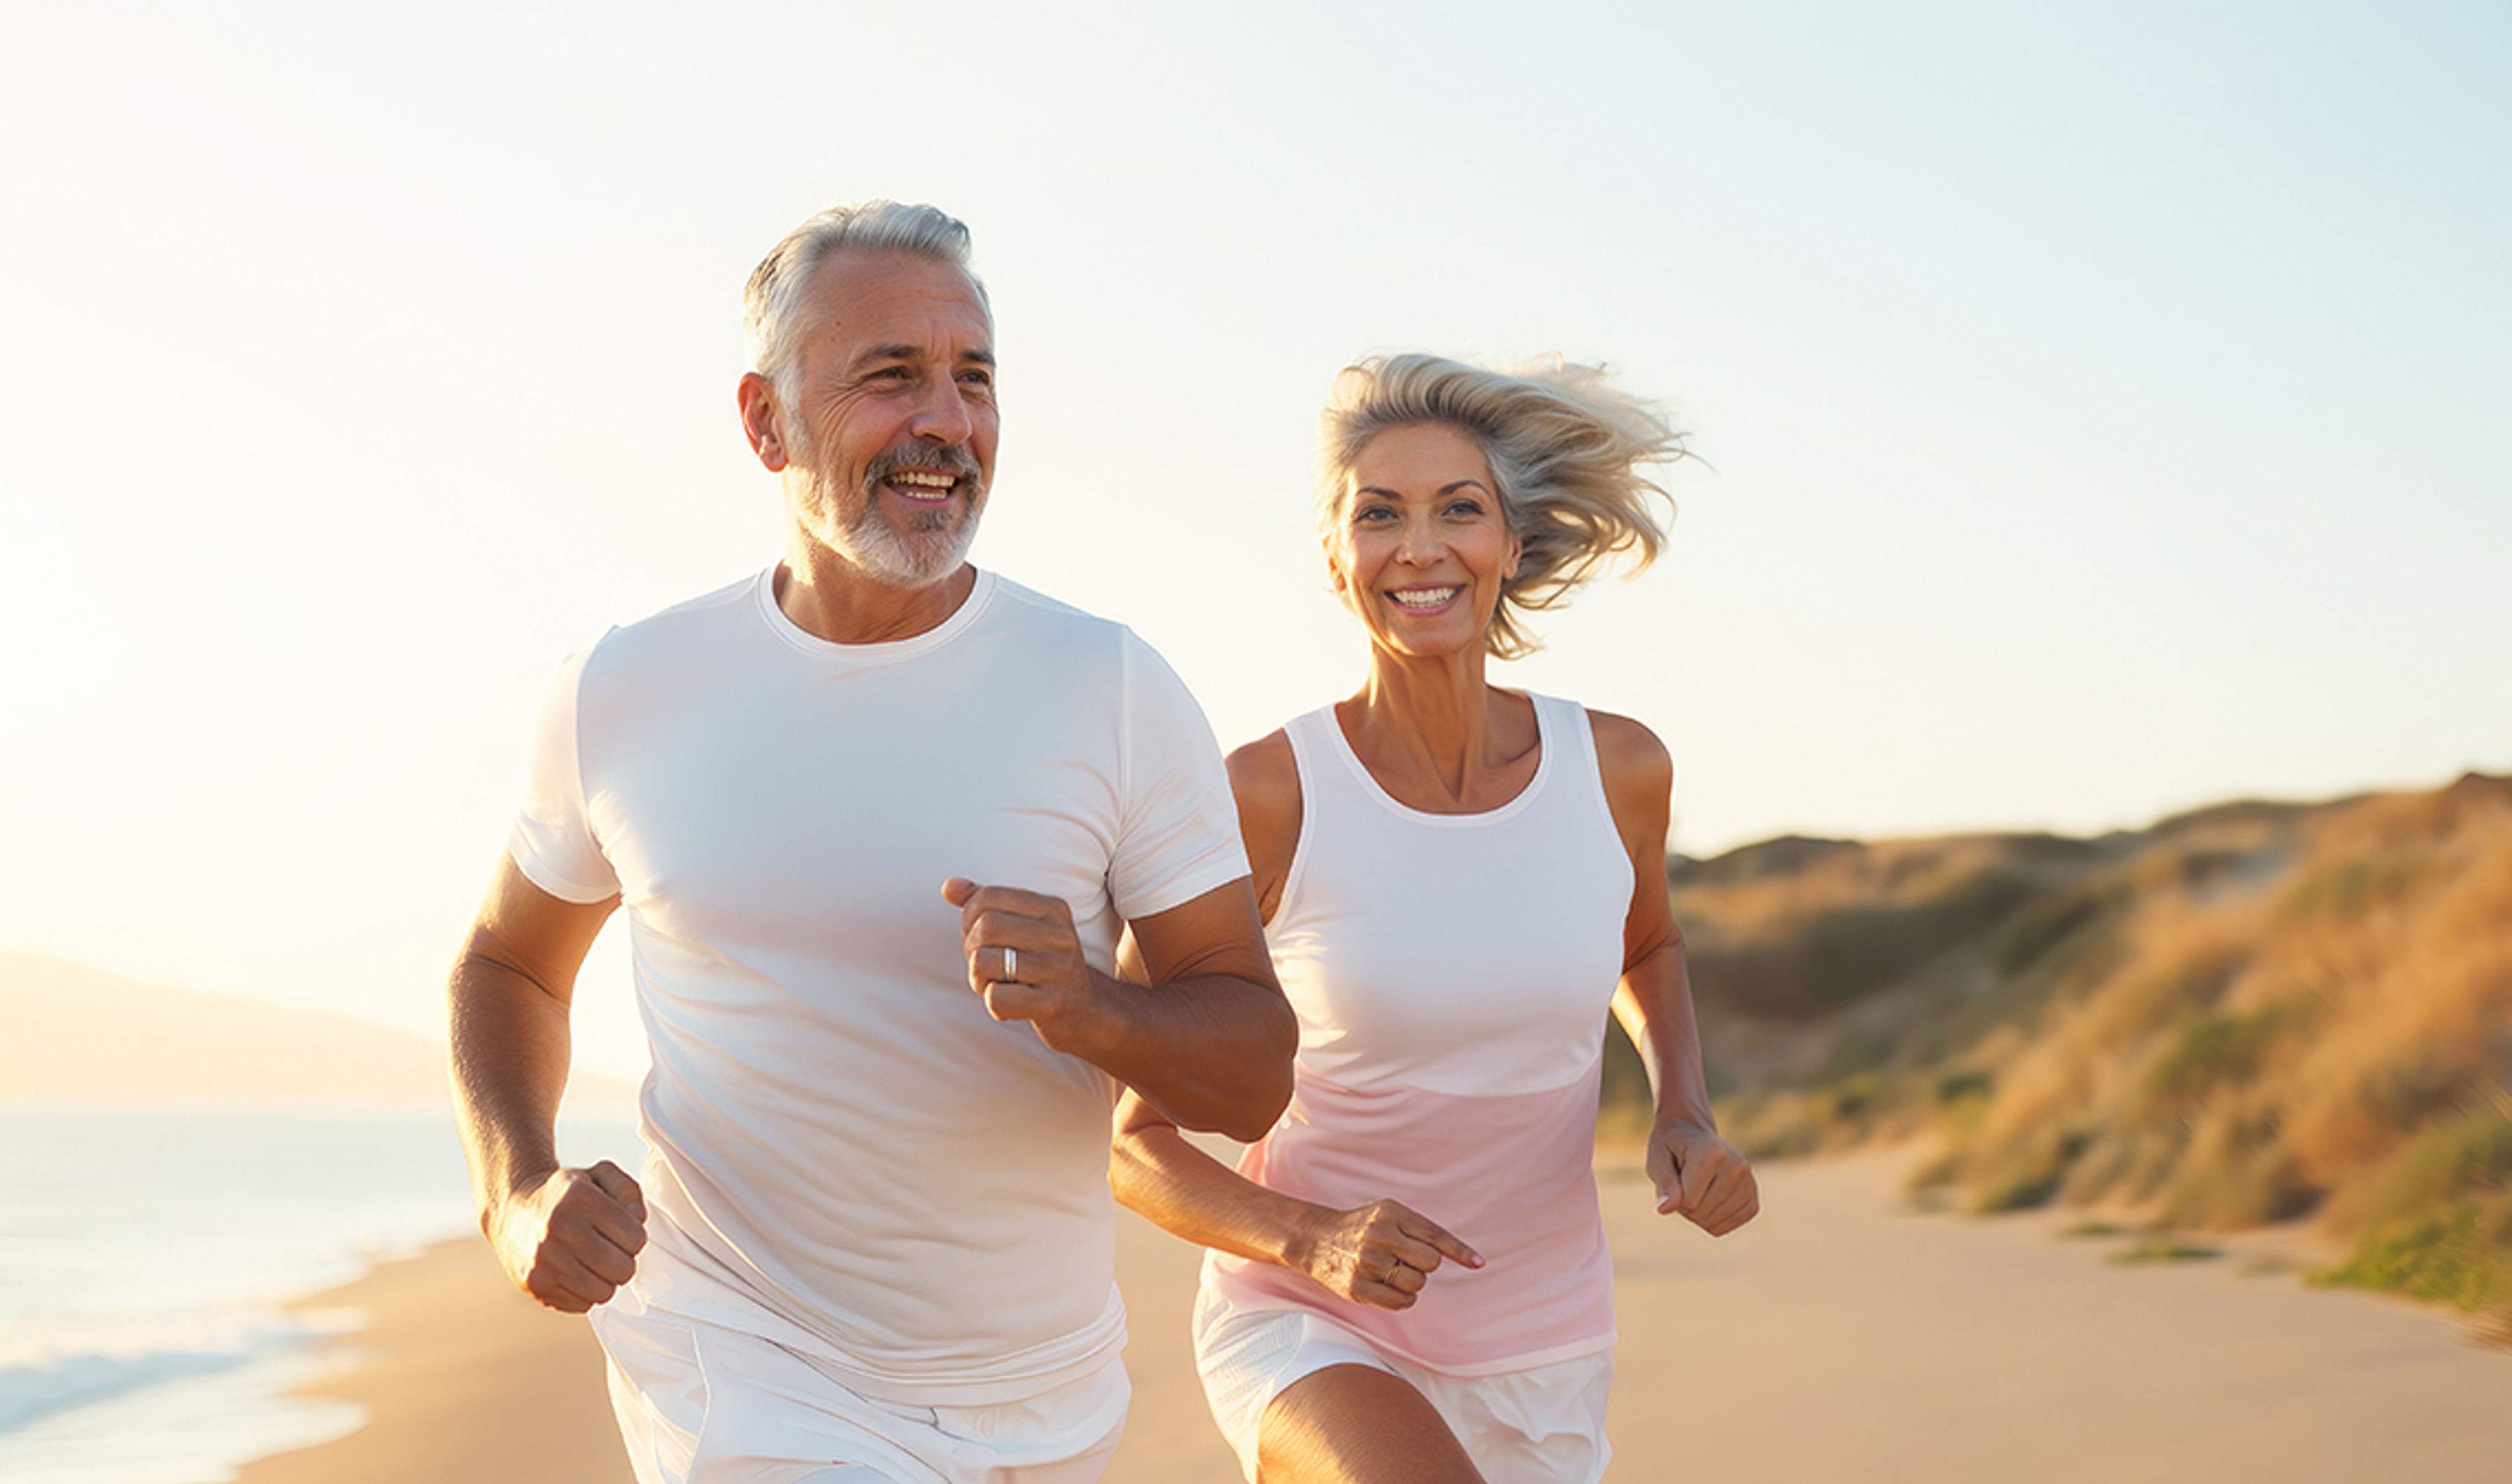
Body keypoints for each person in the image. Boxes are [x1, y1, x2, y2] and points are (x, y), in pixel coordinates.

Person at [446, 200, 1297, 1484]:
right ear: (764, 420)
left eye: (974, 378)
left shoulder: (1110, 687)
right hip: (739, 1350)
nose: (946, 421)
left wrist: (1095, 1007)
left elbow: (1254, 1069)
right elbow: (509, 963)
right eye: (891, 376)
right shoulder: (626, 689)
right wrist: (514, 1193)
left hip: (1046, 1389)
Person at [1111, 353, 1760, 1484]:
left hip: (1547, 1338)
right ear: (1334, 558)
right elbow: (1135, 1144)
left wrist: (1685, 1111)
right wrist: (1310, 1237)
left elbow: (1645, 943)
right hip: (1313, 1318)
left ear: (1509, 546)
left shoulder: (1618, 768)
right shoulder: (1268, 794)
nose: (1419, 546)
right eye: (1380, 514)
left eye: (1458, 509)